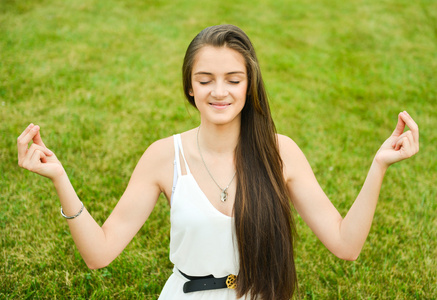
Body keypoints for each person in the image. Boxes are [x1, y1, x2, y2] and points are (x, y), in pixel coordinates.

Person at [17, 24, 419, 300]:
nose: (219, 92)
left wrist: (378, 165)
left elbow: (346, 245)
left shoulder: (280, 153)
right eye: (205, 79)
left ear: (249, 85)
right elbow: (99, 254)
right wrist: (59, 177)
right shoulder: (163, 156)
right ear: (190, 87)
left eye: (233, 79)